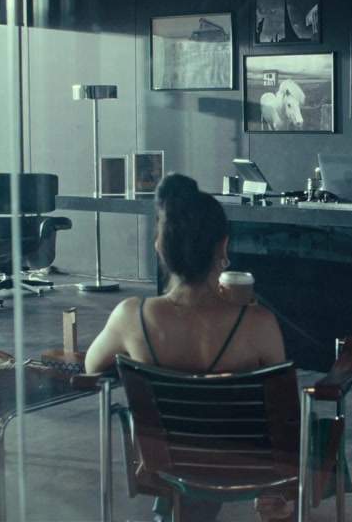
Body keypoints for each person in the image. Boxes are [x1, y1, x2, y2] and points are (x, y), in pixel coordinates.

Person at [85, 173, 290, 522]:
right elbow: (282, 412)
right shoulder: (258, 323)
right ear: (223, 248)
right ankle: (275, 501)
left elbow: (92, 367)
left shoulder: (130, 317)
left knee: (191, 446)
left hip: (168, 464)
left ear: (159, 246)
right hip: (247, 467)